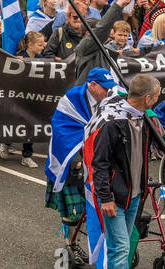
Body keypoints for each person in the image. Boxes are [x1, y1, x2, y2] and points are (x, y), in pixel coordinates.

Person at [84, 73, 165, 269]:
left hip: (135, 193)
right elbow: (99, 163)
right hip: (114, 196)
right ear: (147, 98)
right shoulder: (112, 122)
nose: (158, 99)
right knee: (120, 249)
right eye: (156, 96)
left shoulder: (148, 118)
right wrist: (105, 198)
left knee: (116, 247)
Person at [44, 68, 120, 233]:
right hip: (73, 156)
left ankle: (98, 247)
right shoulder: (72, 98)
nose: (108, 92)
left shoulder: (111, 98)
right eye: (105, 88)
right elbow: (61, 129)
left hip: (98, 159)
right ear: (92, 85)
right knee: (73, 213)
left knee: (98, 209)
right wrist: (76, 158)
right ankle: (71, 244)